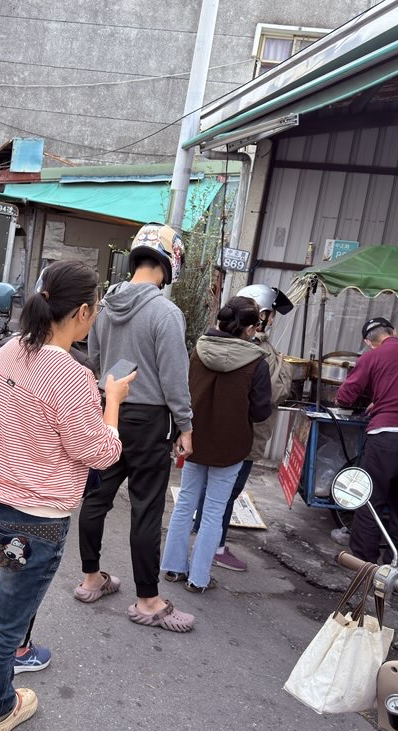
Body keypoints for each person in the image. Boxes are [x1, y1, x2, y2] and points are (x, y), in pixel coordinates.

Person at [0, 260, 130, 731]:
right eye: (95, 308)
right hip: (32, 525)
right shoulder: (72, 376)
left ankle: (2, 706)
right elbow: (100, 451)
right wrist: (113, 399)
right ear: (81, 311)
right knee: (0, 639)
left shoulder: (8, 351)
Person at [75, 223, 195, 632]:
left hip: (108, 407)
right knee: (145, 509)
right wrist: (185, 425)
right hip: (149, 422)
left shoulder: (104, 307)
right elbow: (175, 376)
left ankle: (91, 578)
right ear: (170, 263)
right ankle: (148, 600)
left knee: (96, 497)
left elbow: (93, 356)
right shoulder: (165, 312)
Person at [161, 297, 272, 593]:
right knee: (213, 511)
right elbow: (261, 412)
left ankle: (172, 568)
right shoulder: (256, 363)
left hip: (193, 438)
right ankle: (198, 579)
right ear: (249, 328)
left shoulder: (197, 351)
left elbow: (180, 391)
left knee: (185, 502)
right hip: (230, 446)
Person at [192, 285, 293, 573]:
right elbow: (269, 397)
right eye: (269, 314)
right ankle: (214, 548)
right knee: (225, 494)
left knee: (201, 493)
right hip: (243, 436)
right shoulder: (255, 353)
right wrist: (284, 369)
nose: (271, 320)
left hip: (208, 430)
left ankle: (201, 539)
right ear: (258, 317)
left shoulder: (209, 344)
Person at [335, 317, 398, 571]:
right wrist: (380, 401)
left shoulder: (372, 356)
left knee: (371, 500)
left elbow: (345, 398)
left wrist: (375, 403)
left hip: (386, 436)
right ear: (395, 331)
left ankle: (364, 563)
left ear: (369, 342)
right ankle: (396, 568)